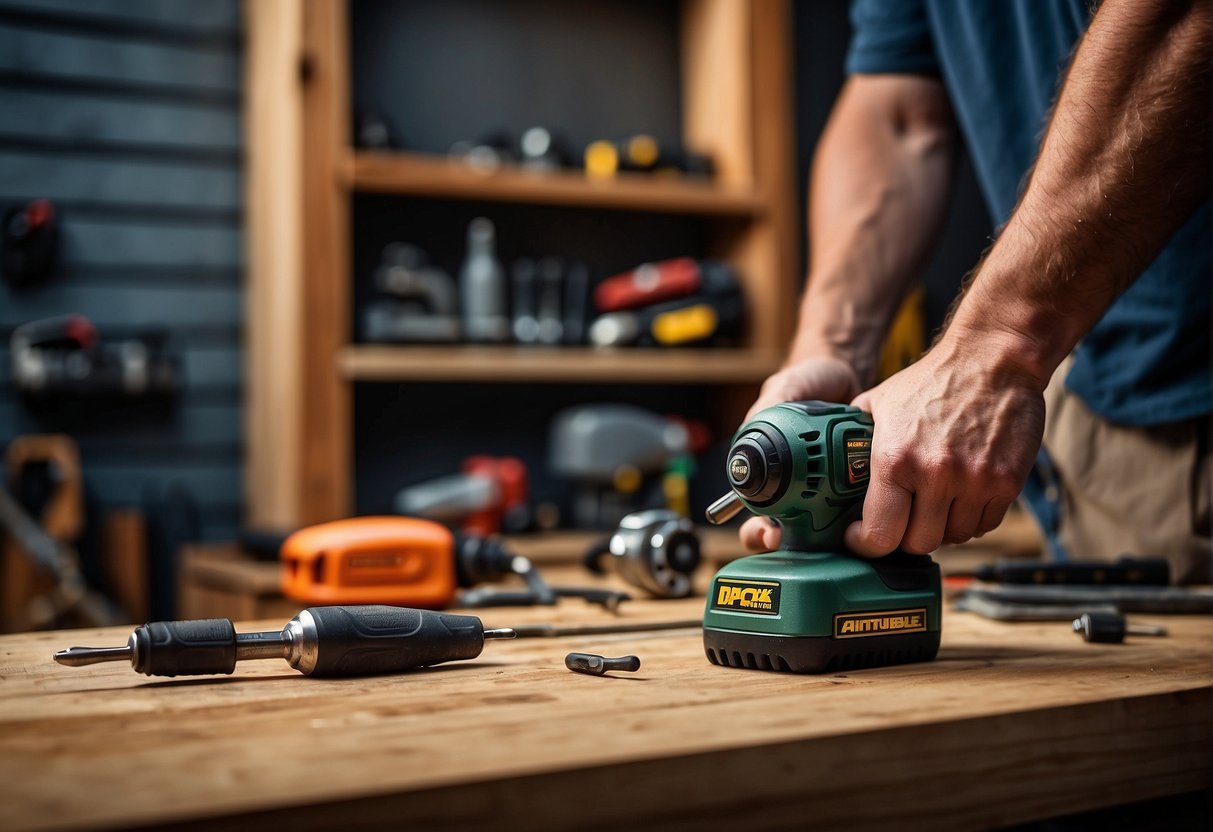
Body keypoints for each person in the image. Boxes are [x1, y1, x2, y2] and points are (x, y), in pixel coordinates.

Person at [740, 0, 1211, 584]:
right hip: (1090, 401)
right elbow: (898, 115)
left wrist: (997, 348)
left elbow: (1184, 21)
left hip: (1188, 377)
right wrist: (828, 353)